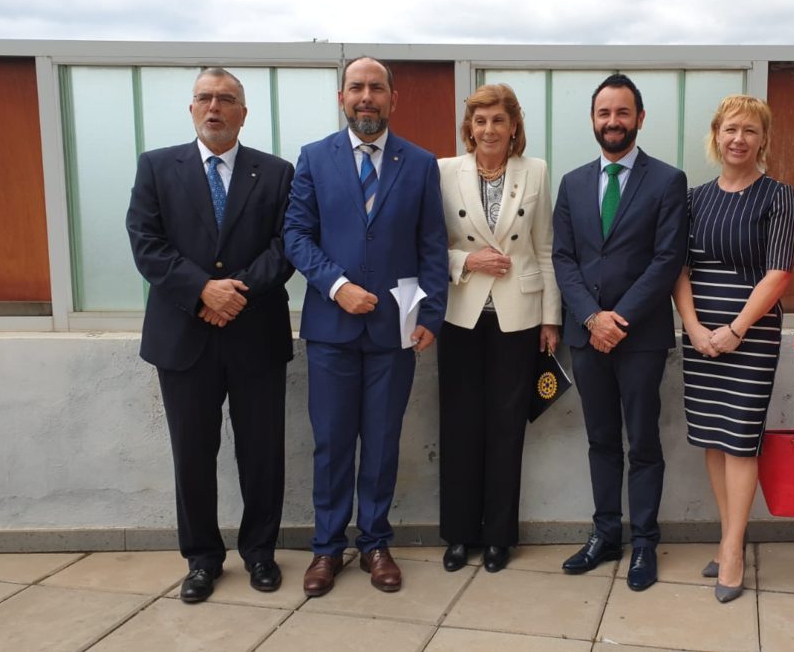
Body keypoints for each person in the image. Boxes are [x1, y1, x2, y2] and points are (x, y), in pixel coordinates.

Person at [126, 67, 294, 603]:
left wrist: (232, 291)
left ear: (244, 113)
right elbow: (145, 242)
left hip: (255, 335)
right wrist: (203, 291)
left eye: (226, 99)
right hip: (183, 337)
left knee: (262, 452)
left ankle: (261, 553)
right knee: (193, 454)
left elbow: (286, 245)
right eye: (205, 98)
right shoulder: (157, 166)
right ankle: (201, 559)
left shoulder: (276, 172)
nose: (214, 107)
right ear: (192, 108)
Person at [284, 56, 448, 596]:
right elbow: (297, 236)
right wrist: (338, 286)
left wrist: (432, 314)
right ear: (342, 97)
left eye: (377, 88)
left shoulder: (421, 163)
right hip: (331, 329)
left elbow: (431, 245)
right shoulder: (313, 158)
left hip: (394, 332)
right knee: (331, 443)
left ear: (392, 99)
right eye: (356, 87)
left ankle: (375, 542)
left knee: (381, 442)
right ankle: (327, 550)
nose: (366, 97)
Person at [552, 73, 687, 592]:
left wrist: (618, 319)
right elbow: (564, 259)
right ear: (593, 120)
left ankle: (645, 543)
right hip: (587, 337)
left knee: (644, 442)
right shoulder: (573, 183)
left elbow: (666, 258)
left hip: (641, 338)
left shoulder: (667, 180)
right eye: (604, 113)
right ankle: (606, 534)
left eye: (623, 112)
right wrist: (591, 318)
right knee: (601, 440)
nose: (613, 122)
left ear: (640, 118)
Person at [672, 95, 794, 603]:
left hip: (751, 335)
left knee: (741, 439)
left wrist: (736, 329)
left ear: (763, 139)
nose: (738, 139)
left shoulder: (778, 196)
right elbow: (679, 269)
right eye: (730, 129)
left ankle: (731, 549)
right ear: (716, 135)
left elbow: (779, 271)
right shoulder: (694, 198)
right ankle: (730, 538)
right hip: (699, 336)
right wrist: (695, 327)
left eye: (749, 130)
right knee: (712, 438)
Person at [437, 84, 561, 573]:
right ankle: (458, 533)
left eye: (498, 120)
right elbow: (428, 244)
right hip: (460, 313)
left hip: (519, 315)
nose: (488, 129)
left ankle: (498, 536)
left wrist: (551, 318)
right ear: (469, 127)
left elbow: (545, 247)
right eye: (480, 120)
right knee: (459, 424)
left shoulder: (537, 171)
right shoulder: (444, 171)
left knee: (508, 427)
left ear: (514, 126)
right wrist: (467, 260)